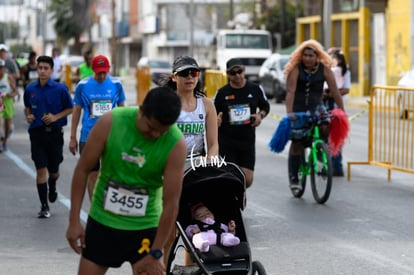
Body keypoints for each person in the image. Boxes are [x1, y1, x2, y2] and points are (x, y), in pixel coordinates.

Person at [66, 87, 187, 275]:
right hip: (103, 222)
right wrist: (74, 220)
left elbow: (171, 203)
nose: (155, 135)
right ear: (141, 110)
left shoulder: (175, 143)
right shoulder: (111, 122)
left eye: (161, 131)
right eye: (151, 128)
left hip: (145, 227)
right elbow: (82, 170)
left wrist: (156, 251)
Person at [284, 39, 345, 190]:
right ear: (301, 56)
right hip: (298, 109)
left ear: (317, 56)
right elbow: (290, 92)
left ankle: (320, 150)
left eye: (311, 55)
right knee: (297, 143)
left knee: (326, 124)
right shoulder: (295, 69)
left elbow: (335, 90)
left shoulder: (324, 69)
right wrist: (290, 114)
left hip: (317, 107)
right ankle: (294, 177)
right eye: (305, 55)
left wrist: (341, 110)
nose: (308, 58)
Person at [69, 55, 126, 200]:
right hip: (88, 137)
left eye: (104, 72)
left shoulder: (116, 84)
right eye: (99, 72)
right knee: (92, 174)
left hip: (111, 137)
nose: (102, 75)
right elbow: (76, 112)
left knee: (110, 175)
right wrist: (72, 138)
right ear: (93, 70)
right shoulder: (83, 85)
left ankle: (107, 205)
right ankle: (95, 210)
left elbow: (123, 111)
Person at [23, 55, 74, 218]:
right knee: (40, 170)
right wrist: (29, 116)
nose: (42, 71)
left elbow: (70, 108)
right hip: (37, 134)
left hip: (54, 135)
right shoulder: (30, 89)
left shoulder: (60, 89)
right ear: (36, 69)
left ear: (52, 70)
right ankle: (44, 206)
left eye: (46, 68)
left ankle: (53, 185)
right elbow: (28, 108)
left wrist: (55, 117)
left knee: (54, 171)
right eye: (40, 68)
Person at [214, 58, 270, 188]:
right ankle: (231, 203)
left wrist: (260, 115)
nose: (237, 75)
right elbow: (212, 112)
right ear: (228, 74)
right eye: (233, 73)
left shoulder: (255, 89)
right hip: (227, 140)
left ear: (244, 71)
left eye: (240, 71)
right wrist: (217, 119)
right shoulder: (222, 93)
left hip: (247, 140)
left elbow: (265, 107)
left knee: (247, 179)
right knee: (229, 177)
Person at [162, 55, 218, 158]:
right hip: (171, 160)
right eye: (184, 73)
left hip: (198, 162)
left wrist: (209, 164)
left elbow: (213, 144)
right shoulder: (165, 103)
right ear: (174, 77)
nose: (190, 77)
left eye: (194, 73)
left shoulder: (207, 105)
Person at [323, 48, 351, 177]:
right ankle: (325, 165)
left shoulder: (344, 72)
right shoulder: (324, 70)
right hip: (324, 107)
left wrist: (333, 93)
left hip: (336, 108)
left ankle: (337, 166)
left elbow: (346, 89)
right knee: (323, 137)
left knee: (336, 137)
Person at [0, 58, 19, 152]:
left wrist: (10, 95)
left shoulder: (8, 77)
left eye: (1, 68)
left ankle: (4, 142)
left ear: (4, 68)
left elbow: (16, 92)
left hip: (8, 102)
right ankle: (1, 140)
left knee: (7, 127)